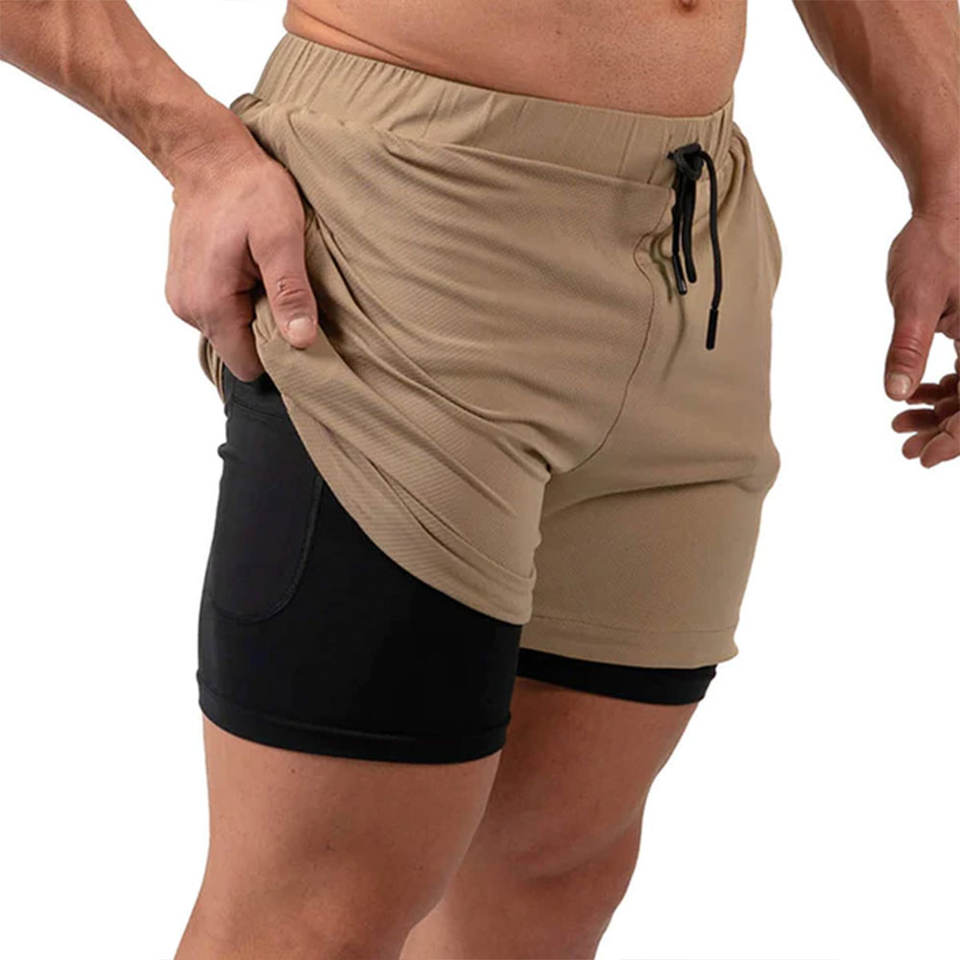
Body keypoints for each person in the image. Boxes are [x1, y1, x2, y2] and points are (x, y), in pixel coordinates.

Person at [2, 2, 957, 958]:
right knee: (312, 915)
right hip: (410, 221)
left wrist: (948, 174)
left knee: (549, 869)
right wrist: (195, 150)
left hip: (691, 236)